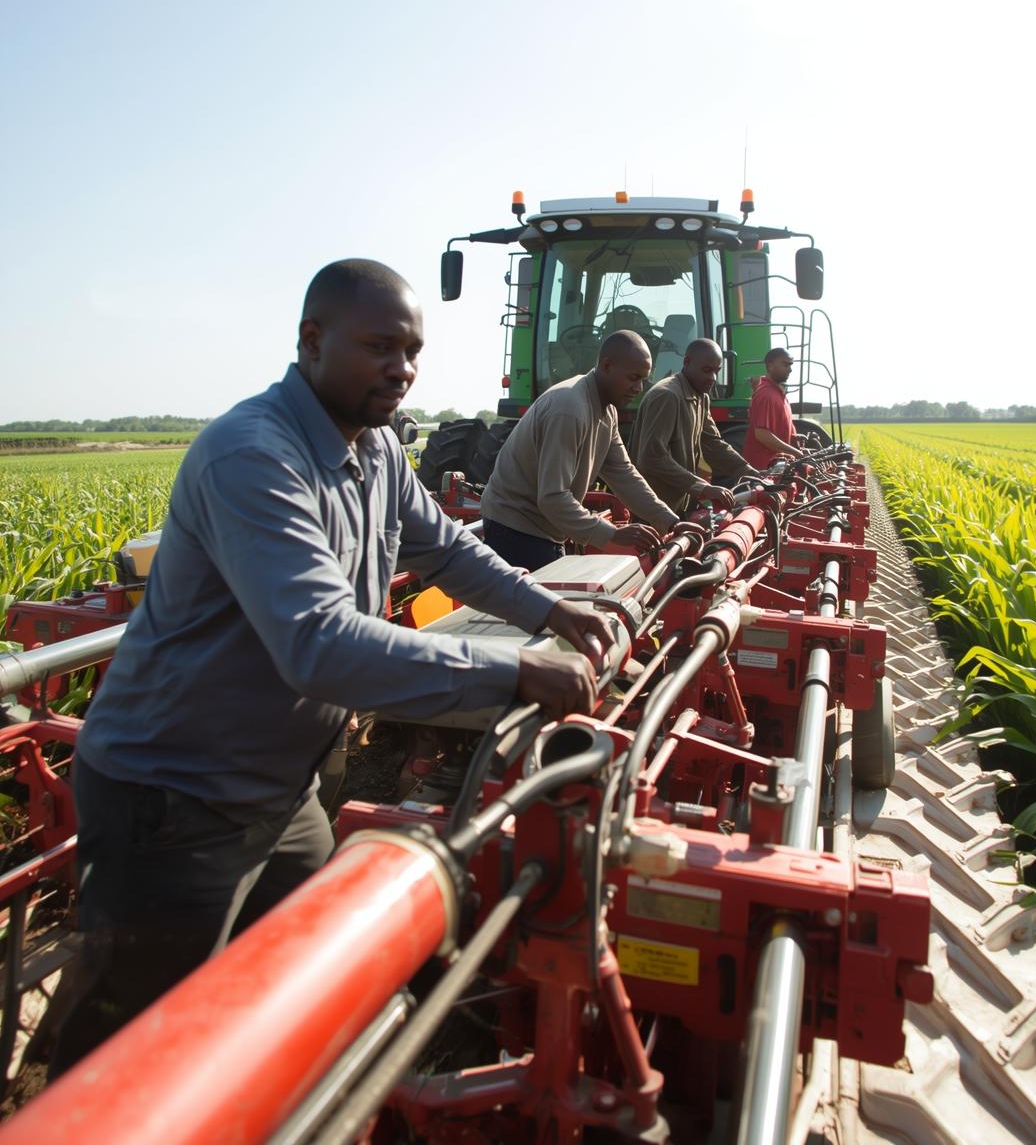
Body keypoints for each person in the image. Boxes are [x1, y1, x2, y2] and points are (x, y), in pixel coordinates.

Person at [50, 259, 613, 1074]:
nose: (402, 368)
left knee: (296, 984)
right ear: (312, 341)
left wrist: (550, 611)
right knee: (132, 1052)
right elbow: (317, 641)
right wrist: (514, 675)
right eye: (379, 346)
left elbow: (448, 547)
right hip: (175, 797)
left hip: (284, 791)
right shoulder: (252, 455)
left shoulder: (379, 449)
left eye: (413, 350)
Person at [480, 330, 679, 569]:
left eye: (643, 379)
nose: (639, 388)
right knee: (544, 605)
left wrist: (670, 521)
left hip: (547, 528)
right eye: (633, 378)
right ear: (606, 366)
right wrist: (613, 535)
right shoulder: (569, 409)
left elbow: (623, 472)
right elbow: (553, 497)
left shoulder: (607, 411)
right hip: (516, 529)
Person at [628, 338, 757, 513]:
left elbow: (712, 442)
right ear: (687, 362)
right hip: (653, 507)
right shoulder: (667, 396)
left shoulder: (701, 397)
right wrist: (702, 487)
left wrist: (747, 470)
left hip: (678, 503)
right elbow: (652, 457)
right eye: (706, 370)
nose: (712, 378)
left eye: (716, 371)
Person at [743, 346, 806, 469]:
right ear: (770, 365)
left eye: (791, 365)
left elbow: (776, 427)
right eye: (785, 364)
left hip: (775, 468)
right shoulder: (766, 394)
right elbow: (762, 434)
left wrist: (794, 440)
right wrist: (795, 452)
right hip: (763, 471)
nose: (790, 369)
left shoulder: (778, 393)